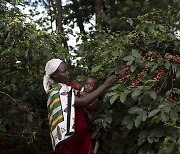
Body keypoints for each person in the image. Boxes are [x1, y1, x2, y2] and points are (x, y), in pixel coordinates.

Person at [43, 59, 117, 154]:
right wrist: (106, 85)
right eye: (64, 71)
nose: (68, 73)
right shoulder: (57, 92)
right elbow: (83, 102)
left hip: (82, 135)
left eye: (67, 70)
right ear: (54, 75)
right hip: (69, 140)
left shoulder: (67, 88)